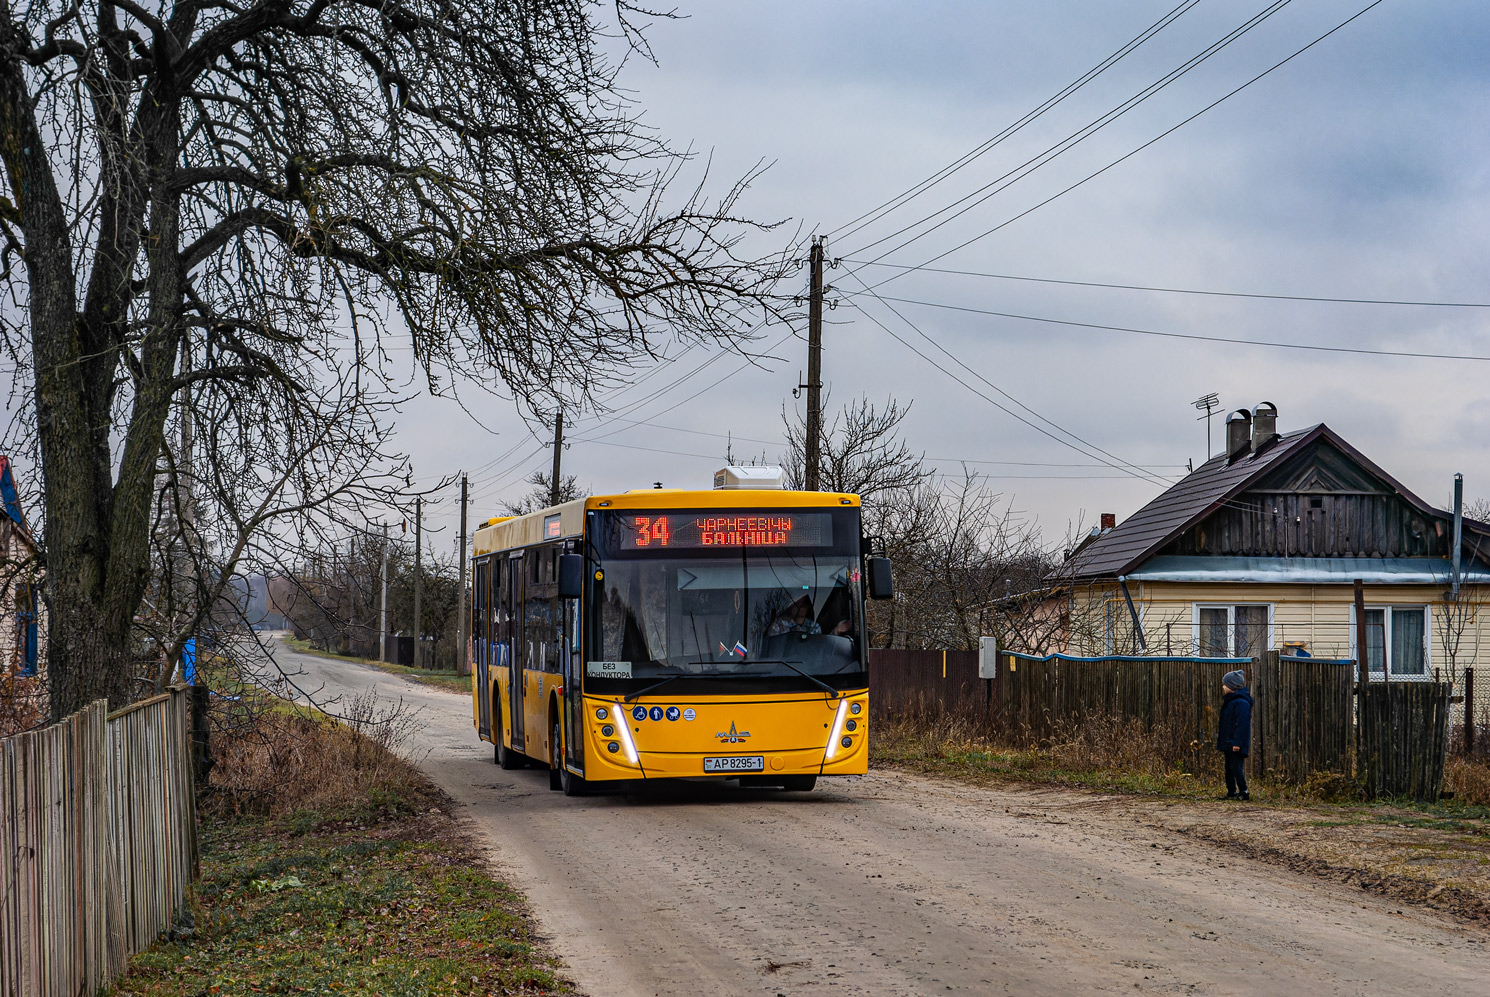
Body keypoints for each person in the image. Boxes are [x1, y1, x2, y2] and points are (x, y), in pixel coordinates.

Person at [1217, 669, 1253, 801]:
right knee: (1229, 766)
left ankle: (1243, 791)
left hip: (1236, 741)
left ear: (1232, 686)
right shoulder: (1231, 701)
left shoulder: (1241, 703)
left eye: (1225, 684)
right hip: (1229, 740)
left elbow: (1241, 725)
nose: (1223, 686)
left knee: (1236, 766)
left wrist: (1237, 742)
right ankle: (1231, 791)